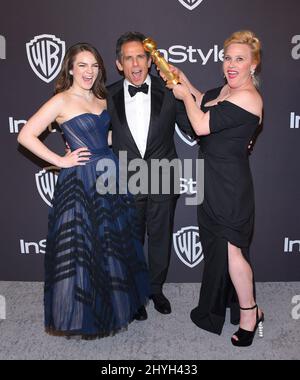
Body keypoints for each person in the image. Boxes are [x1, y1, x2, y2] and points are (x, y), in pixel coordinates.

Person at [17, 43, 149, 339]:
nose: (89, 71)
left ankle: (115, 306)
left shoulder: (103, 97)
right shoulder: (61, 101)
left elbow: (107, 135)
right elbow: (26, 135)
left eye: (94, 66)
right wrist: (61, 160)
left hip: (110, 174)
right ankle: (86, 313)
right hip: (81, 178)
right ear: (71, 69)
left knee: (111, 244)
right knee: (83, 247)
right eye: (82, 65)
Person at [163, 30, 264, 347]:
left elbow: (201, 124)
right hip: (210, 181)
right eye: (228, 58)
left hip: (230, 186)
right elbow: (203, 101)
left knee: (233, 251)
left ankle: (250, 314)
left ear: (253, 65)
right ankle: (236, 307)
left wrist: (182, 96)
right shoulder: (226, 89)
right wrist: (185, 80)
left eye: (239, 59)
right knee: (218, 251)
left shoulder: (249, 97)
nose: (231, 65)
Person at [107, 32, 193, 320]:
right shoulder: (107, 95)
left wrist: (231, 135)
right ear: (119, 64)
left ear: (150, 60)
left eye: (140, 56)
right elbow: (89, 128)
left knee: (159, 238)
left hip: (163, 175)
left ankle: (156, 289)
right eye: (128, 58)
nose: (135, 63)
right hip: (126, 177)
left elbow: (194, 126)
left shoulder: (169, 90)